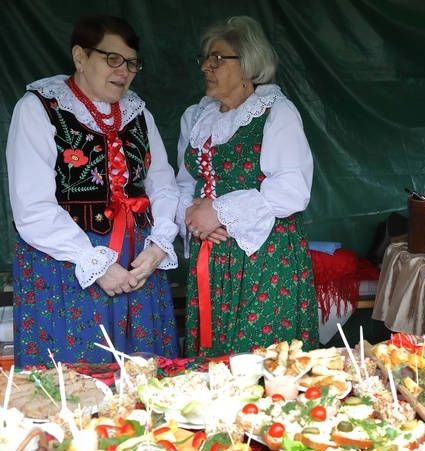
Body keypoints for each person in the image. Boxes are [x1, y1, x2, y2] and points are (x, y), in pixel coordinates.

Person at [6, 14, 180, 366]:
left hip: (137, 263)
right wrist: (94, 264)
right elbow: (32, 204)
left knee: (143, 374)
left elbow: (162, 182)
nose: (124, 71)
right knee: (74, 377)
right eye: (112, 58)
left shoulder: (137, 113)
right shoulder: (39, 108)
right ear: (80, 57)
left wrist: (160, 244)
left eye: (131, 62)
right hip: (66, 265)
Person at [177, 16, 318, 356]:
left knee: (262, 359)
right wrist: (195, 219)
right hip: (211, 255)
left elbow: (292, 188)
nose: (206, 67)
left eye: (218, 59)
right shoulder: (195, 117)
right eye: (205, 59)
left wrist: (220, 210)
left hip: (263, 258)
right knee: (213, 362)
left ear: (248, 64)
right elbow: (185, 181)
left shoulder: (275, 113)